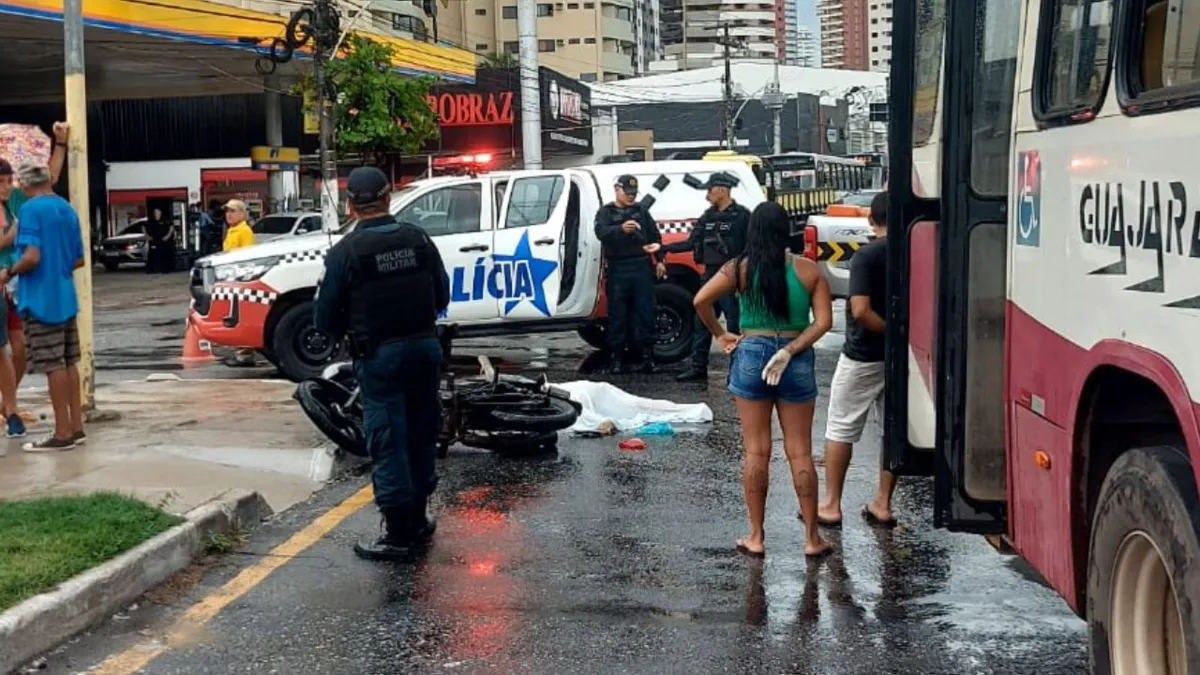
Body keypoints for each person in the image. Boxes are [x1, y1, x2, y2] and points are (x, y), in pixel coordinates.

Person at [314, 166, 450, 561]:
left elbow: (324, 317)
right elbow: (442, 294)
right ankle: (420, 518)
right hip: (425, 349)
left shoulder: (345, 252)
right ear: (389, 199)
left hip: (378, 357)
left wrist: (350, 330)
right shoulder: (419, 239)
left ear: (351, 205)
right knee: (423, 432)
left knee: (388, 438)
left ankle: (398, 533)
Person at [693, 201, 834, 557]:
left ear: (752, 231)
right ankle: (812, 539)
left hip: (752, 351)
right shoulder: (808, 270)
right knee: (799, 450)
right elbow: (823, 322)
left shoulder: (737, 269)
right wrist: (789, 349)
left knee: (756, 449)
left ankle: (756, 536)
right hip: (795, 356)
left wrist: (722, 334)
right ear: (786, 230)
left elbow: (700, 300)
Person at [817, 191, 896, 529]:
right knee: (892, 431)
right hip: (905, 358)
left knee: (840, 427)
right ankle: (883, 502)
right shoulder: (918, 250)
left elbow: (860, 310)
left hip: (864, 354)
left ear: (870, 220)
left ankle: (832, 505)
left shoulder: (868, 256)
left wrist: (890, 333)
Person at [0, 163, 86, 451]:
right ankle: (76, 427)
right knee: (69, 361)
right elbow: (78, 260)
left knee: (52, 365)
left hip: (40, 298)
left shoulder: (30, 210)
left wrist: (10, 271)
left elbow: (32, 256)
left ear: (25, 186)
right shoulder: (66, 209)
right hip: (65, 295)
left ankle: (61, 433)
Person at [0, 122, 68, 418]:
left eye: (9, 180)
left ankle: (8, 403)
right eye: (3, 181)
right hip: (7, 279)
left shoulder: (16, 198)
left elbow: (49, 178)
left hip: (13, 283)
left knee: (20, 346)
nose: (8, 185)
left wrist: (61, 144)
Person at [667, 171, 751, 382]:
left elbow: (751, 248)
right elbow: (690, 242)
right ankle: (698, 368)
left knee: (734, 325)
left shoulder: (742, 216)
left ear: (722, 190)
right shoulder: (708, 216)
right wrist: (664, 248)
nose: (707, 194)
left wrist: (744, 278)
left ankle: (737, 370)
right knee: (701, 321)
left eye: (710, 189)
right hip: (710, 275)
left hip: (732, 276)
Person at [594, 174, 665, 374]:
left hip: (641, 266)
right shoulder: (606, 212)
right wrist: (620, 229)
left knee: (646, 313)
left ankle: (648, 357)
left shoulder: (641, 210)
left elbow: (654, 236)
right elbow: (600, 232)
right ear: (617, 189)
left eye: (634, 193)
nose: (631, 197)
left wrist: (659, 260)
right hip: (618, 268)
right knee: (617, 316)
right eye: (627, 193)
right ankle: (617, 359)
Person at [221, 200, 257, 366]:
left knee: (241, 315)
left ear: (242, 213)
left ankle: (245, 353)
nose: (229, 214)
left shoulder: (244, 231)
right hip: (230, 279)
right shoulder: (232, 230)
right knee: (233, 316)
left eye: (233, 211)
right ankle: (240, 351)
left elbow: (247, 257)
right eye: (227, 211)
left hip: (240, 280)